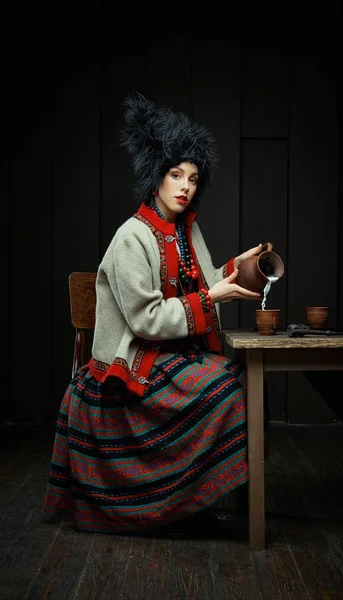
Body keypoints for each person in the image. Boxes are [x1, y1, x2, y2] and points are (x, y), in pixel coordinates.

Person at [43, 91, 267, 537]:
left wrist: (234, 268)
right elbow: (147, 320)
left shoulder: (187, 228)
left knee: (235, 377)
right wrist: (213, 297)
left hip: (170, 356)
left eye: (193, 177)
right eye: (175, 174)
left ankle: (188, 501)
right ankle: (167, 506)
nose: (185, 186)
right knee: (222, 385)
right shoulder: (132, 236)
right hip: (135, 363)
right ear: (156, 178)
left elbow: (203, 282)